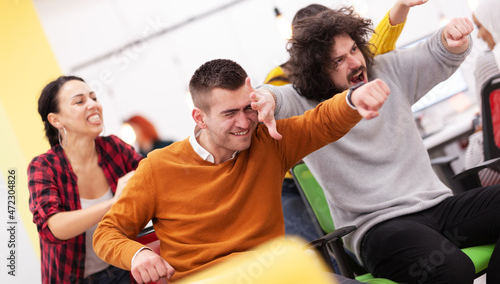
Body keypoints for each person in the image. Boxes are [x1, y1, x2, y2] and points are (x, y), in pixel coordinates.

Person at [257, 7, 500, 283]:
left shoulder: (386, 70)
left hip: (438, 206)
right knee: (454, 269)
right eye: (338, 61)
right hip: (379, 228)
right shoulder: (302, 102)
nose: (354, 62)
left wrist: (451, 39)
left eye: (353, 50)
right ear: (318, 71)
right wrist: (264, 98)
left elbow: (436, 53)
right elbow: (276, 97)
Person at [93, 59, 390, 284]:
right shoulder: (158, 168)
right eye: (229, 113)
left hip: (279, 275)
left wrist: (352, 100)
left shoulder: (268, 141)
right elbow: (107, 233)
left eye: (247, 108)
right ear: (200, 117)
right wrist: (138, 253)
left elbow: (320, 122)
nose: (245, 122)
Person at [265, 0, 432, 244]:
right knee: (313, 243)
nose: (340, 52)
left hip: (340, 161)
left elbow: (377, 48)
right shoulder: (283, 79)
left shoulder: (350, 62)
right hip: (294, 175)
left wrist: (401, 7)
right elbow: (275, 101)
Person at [28, 75, 144, 283]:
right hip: (76, 279)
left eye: (93, 98)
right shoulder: (44, 167)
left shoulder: (114, 148)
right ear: (56, 120)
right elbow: (53, 227)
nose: (93, 104)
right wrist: (114, 203)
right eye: (80, 101)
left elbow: (150, 175)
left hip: (124, 266)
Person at [463, 0, 500, 186]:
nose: (478, 35)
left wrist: (479, 128)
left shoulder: (487, 62)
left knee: (472, 160)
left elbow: (488, 118)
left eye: (479, 26)